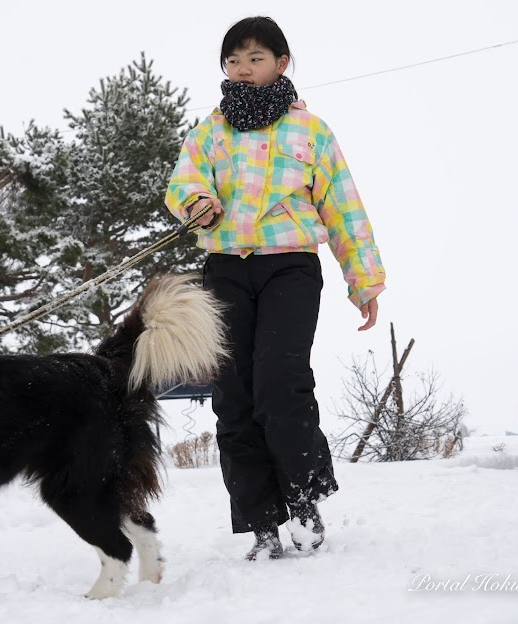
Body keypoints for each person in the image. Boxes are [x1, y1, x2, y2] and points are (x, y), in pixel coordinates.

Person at [164, 16, 386, 560]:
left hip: (291, 267)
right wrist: (196, 202)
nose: (242, 68)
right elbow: (182, 183)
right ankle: (262, 522)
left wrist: (365, 281)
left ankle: (304, 501)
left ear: (281, 63)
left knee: (280, 383)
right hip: (226, 269)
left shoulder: (310, 131)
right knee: (234, 396)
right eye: (233, 60)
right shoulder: (211, 130)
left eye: (255, 58)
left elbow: (344, 209)